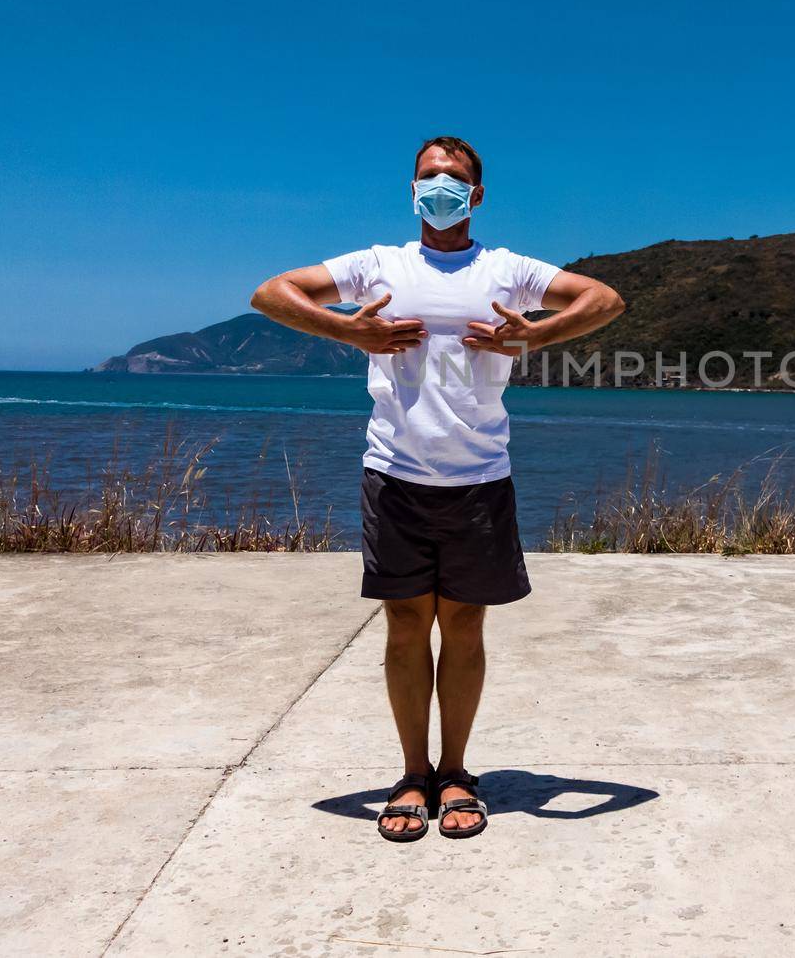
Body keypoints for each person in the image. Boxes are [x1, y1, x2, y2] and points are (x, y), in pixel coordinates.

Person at [250, 136, 625, 841]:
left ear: (476, 195)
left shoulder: (506, 270)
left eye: (454, 179)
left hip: (479, 478)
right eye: (429, 177)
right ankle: (412, 774)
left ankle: (456, 772)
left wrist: (533, 338)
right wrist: (348, 332)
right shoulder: (378, 265)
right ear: (411, 189)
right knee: (403, 629)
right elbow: (272, 293)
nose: (441, 187)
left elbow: (604, 299)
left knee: (463, 628)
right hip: (394, 474)